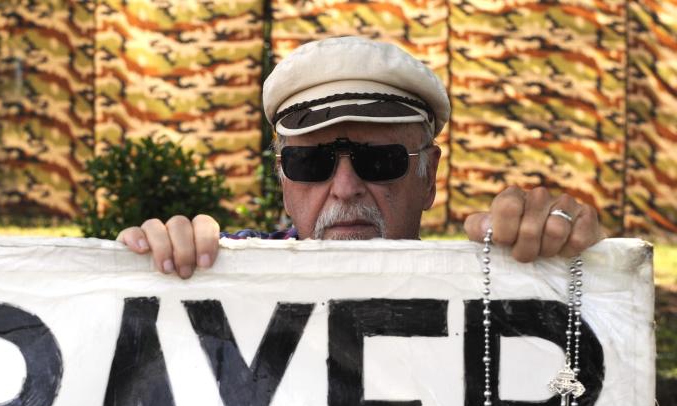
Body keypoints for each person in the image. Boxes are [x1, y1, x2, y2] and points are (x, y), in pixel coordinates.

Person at [115, 36, 604, 279]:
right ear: (283, 179)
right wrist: (148, 273)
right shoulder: (227, 272)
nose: (345, 188)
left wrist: (570, 264)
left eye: (379, 160)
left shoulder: (491, 287)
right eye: (312, 163)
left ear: (428, 175)